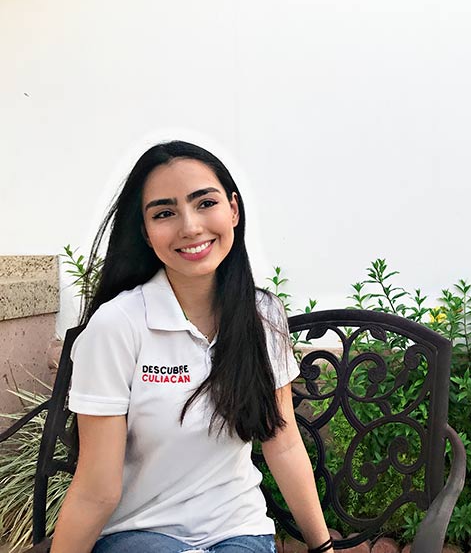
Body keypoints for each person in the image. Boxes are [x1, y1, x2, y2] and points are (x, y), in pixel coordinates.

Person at [50, 141, 333, 553]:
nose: (190, 226)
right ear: (146, 233)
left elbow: (283, 441)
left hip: (237, 532)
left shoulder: (262, 314)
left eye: (205, 203)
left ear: (233, 209)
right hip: (139, 534)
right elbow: (97, 489)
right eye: (164, 213)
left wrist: (322, 547)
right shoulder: (117, 326)